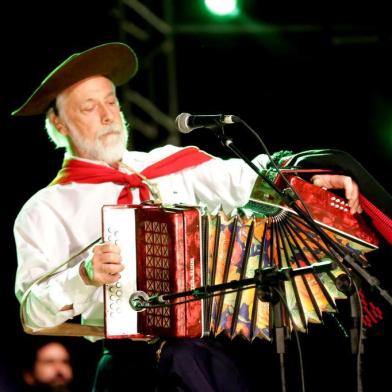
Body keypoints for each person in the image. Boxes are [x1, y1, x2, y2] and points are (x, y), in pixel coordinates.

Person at [12, 42, 364, 392]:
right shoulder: (46, 208)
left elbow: (245, 180)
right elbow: (33, 315)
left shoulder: (168, 164)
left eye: (111, 101)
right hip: (130, 368)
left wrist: (310, 179)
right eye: (89, 107)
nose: (108, 115)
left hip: (212, 354)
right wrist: (84, 276)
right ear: (58, 121)